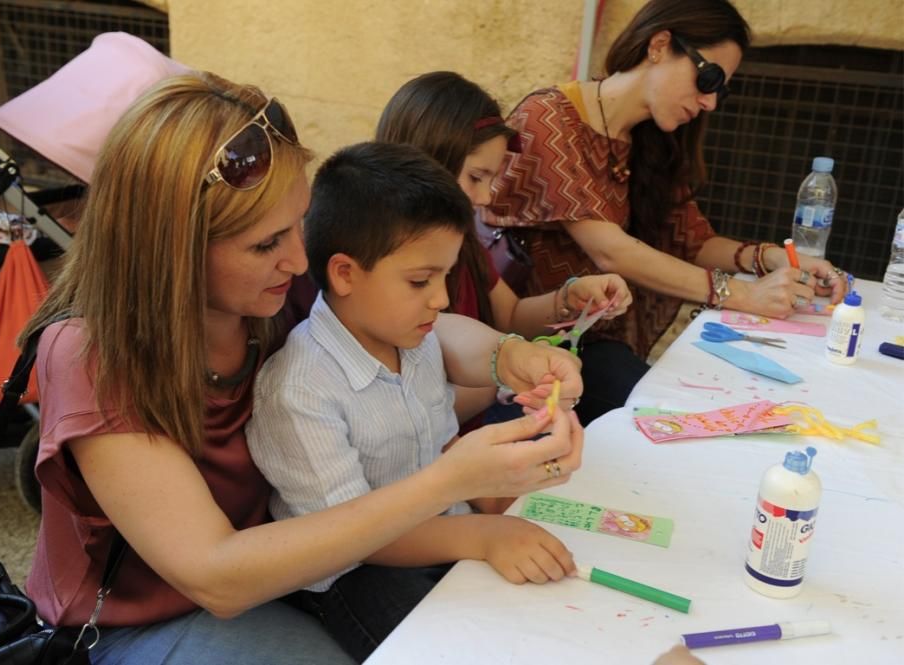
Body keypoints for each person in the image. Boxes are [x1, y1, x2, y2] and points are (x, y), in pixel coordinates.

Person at [18, 72, 585, 665]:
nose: (296, 257)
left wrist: (508, 355)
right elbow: (217, 576)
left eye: (300, 222)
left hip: (296, 569)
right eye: (265, 244)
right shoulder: (93, 354)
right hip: (140, 620)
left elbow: (419, 330)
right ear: (172, 248)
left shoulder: (272, 289)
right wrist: (452, 482)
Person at [247, 142, 581, 662]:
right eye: (421, 280)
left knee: (538, 620)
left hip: (447, 530)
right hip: (356, 570)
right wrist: (485, 532)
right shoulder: (298, 391)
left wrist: (501, 493)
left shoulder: (417, 341)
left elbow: (442, 434)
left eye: (445, 275)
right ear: (344, 274)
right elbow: (357, 538)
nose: (442, 298)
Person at [484, 0, 848, 368]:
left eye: (721, 92)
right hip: (521, 343)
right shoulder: (549, 119)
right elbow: (612, 252)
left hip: (590, 337)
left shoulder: (651, 138)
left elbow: (692, 240)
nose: (709, 103)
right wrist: (743, 294)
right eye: (709, 79)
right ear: (658, 46)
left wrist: (774, 260)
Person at [376, 71, 633, 426]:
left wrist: (570, 298)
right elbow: (417, 407)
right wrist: (509, 372)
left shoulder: (464, 242)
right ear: (426, 161)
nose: (484, 198)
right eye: (475, 177)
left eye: (492, 180)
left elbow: (509, 316)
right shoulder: (382, 261)